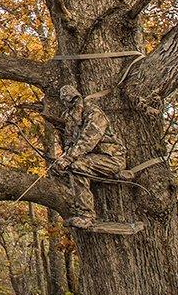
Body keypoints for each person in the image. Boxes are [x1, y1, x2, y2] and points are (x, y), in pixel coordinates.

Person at [50, 84, 127, 229]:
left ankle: (87, 216)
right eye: (66, 101)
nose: (71, 104)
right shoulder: (69, 116)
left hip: (111, 158)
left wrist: (69, 158)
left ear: (78, 97)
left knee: (77, 166)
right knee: (65, 169)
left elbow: (88, 140)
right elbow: (69, 139)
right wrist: (65, 155)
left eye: (73, 100)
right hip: (89, 158)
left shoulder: (93, 112)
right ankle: (79, 209)